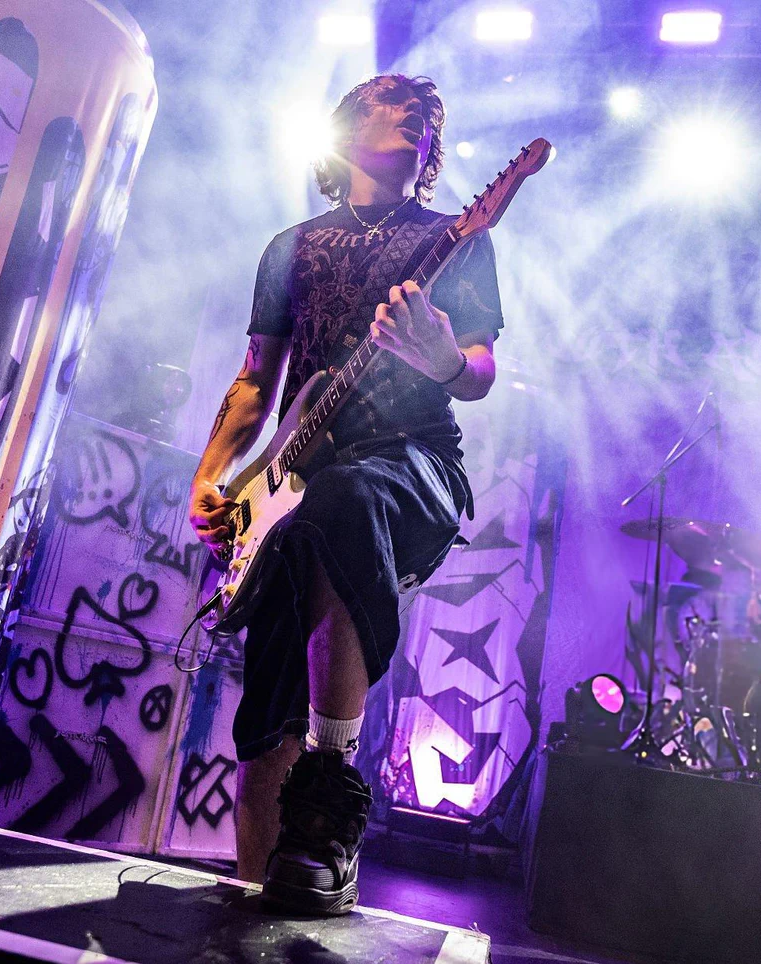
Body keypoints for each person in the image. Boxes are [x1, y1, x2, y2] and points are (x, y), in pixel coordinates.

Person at [187, 74, 503, 915]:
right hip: (294, 487)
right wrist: (212, 476)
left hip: (412, 462)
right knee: (265, 720)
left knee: (347, 498)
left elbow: (479, 370)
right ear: (349, 123)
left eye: (430, 116)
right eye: (399, 103)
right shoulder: (289, 248)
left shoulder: (457, 239)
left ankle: (331, 789)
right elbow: (256, 382)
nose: (419, 117)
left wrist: (442, 357)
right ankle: (254, 905)